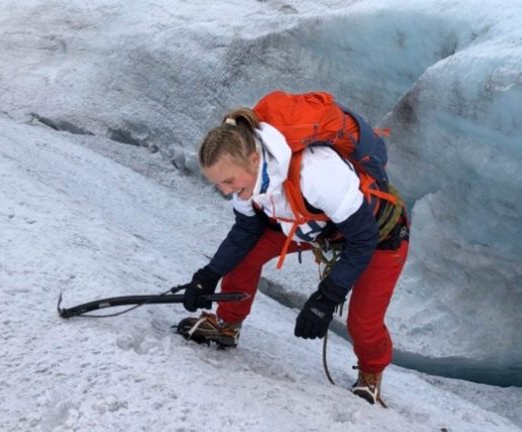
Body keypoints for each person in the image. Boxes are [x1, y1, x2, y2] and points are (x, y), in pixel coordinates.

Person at [175, 91, 409, 406]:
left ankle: (371, 374)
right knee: (244, 257)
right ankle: (226, 326)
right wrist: (209, 275)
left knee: (363, 323)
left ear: (255, 159)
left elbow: (363, 238)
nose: (227, 191)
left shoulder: (315, 172)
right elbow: (246, 230)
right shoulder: (249, 178)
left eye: (229, 182)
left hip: (380, 234)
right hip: (311, 224)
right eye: (219, 185)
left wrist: (326, 297)